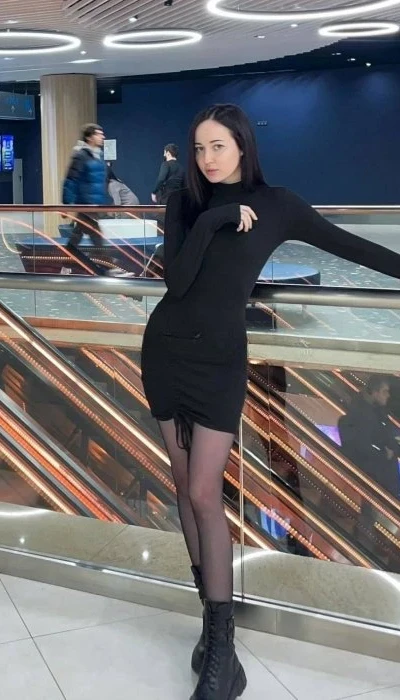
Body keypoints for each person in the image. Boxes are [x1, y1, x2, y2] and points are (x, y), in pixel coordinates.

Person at [140, 103, 400, 700]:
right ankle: (214, 638)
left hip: (219, 363)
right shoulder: (184, 204)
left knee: (204, 492)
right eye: (199, 148)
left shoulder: (279, 204)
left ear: (242, 146)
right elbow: (177, 281)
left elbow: (351, 247)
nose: (207, 159)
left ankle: (222, 649)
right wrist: (216, 218)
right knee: (184, 489)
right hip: (167, 353)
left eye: (218, 147)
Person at [339, 376, 400, 497]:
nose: (388, 395)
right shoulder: (362, 416)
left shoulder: (379, 413)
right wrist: (385, 454)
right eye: (384, 391)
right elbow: (362, 446)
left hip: (383, 479)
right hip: (375, 479)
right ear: (374, 392)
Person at [62, 123, 109, 275]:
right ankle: (107, 268)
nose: (102, 137)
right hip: (85, 204)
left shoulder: (99, 156)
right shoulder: (81, 156)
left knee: (77, 237)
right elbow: (71, 180)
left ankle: (65, 265)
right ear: (89, 137)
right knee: (96, 236)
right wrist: (66, 204)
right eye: (98, 134)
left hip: (94, 205)